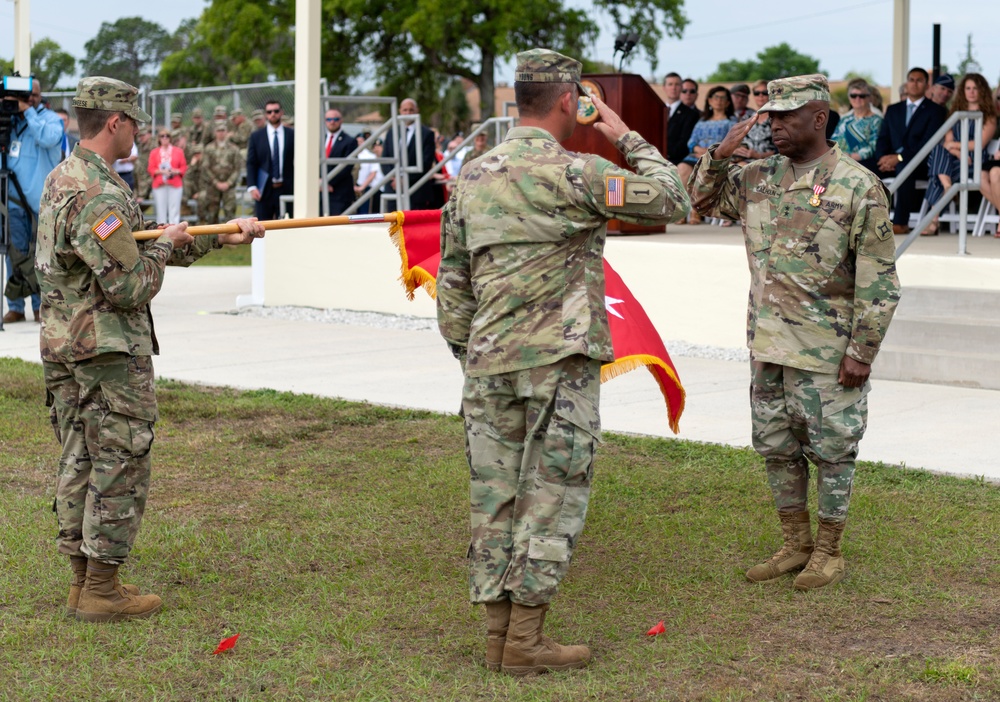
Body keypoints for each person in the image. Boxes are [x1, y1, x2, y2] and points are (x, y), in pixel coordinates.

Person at [437, 48, 689, 676]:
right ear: (565, 101)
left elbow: (453, 285)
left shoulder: (472, 174)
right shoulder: (578, 172)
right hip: (558, 364)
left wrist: (473, 354)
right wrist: (622, 131)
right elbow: (672, 197)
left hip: (489, 363)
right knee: (551, 494)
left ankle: (499, 637)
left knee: (493, 496)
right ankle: (525, 642)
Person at [35, 76, 264, 623]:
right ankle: (102, 589)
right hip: (106, 353)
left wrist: (215, 236)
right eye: (134, 119)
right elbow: (131, 283)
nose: (140, 128)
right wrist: (165, 246)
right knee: (120, 459)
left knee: (80, 457)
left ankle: (82, 583)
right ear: (114, 123)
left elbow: (131, 245)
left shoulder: (65, 178)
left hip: (65, 346)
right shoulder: (100, 194)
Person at [688, 75, 900, 591]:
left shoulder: (856, 185)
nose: (774, 125)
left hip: (828, 351)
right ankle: (796, 543)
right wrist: (718, 155)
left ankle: (828, 551)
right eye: (769, 116)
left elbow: (880, 282)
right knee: (777, 448)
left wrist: (862, 352)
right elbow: (701, 203)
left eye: (786, 116)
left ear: (819, 118)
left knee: (833, 450)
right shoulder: (758, 177)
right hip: (768, 346)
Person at [2, 77, 64, 324]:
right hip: (13, 202)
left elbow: (49, 139)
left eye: (32, 96)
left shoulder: (49, 119)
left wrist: (28, 112)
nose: (28, 100)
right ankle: (15, 306)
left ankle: (41, 306)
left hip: (42, 203)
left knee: (42, 255)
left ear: (39, 96)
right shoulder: (9, 121)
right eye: (22, 96)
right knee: (14, 253)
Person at [873, 67, 947, 234]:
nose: (914, 84)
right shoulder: (893, 109)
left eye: (919, 80)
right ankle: (858, 220)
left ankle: (901, 222)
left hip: (920, 163)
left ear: (927, 85)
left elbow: (927, 143)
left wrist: (899, 158)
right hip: (890, 160)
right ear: (906, 83)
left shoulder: (936, 111)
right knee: (863, 167)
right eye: (911, 80)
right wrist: (882, 158)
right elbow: (883, 138)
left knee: (904, 167)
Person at [921, 73, 997, 235]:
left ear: (982, 90)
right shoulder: (955, 112)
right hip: (957, 158)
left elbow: (979, 144)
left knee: (938, 173)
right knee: (939, 152)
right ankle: (948, 187)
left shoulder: (988, 116)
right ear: (963, 91)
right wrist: (958, 152)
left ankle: (933, 221)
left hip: (974, 160)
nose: (971, 92)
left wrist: (955, 147)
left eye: (975, 88)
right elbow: (947, 140)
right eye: (968, 88)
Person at [682, 85, 736, 224]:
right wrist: (698, 149)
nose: (719, 100)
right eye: (715, 97)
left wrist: (711, 152)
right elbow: (691, 142)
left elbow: (732, 142)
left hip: (718, 159)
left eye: (722, 98)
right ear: (709, 101)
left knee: (704, 170)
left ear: (728, 102)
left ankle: (696, 212)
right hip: (697, 156)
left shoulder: (731, 122)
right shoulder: (702, 122)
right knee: (682, 169)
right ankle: (682, 211)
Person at [381, 98, 443, 210]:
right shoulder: (392, 132)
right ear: (400, 111)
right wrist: (394, 179)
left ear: (417, 111)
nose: (408, 113)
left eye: (411, 110)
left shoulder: (426, 134)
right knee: (392, 225)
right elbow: (385, 159)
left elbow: (426, 163)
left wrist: (405, 180)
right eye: (405, 110)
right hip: (393, 189)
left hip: (416, 191)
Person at [246, 99, 296, 220]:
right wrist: (252, 186)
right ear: (265, 114)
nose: (272, 114)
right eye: (269, 111)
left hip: (287, 187)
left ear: (281, 112)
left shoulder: (292, 134)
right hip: (264, 190)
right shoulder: (256, 136)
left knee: (288, 225)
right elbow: (252, 163)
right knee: (263, 226)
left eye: (276, 111)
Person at [831, 78, 883, 168]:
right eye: (853, 95)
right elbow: (834, 141)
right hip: (839, 161)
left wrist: (851, 157)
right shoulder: (845, 119)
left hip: (861, 164)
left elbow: (874, 147)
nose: (857, 99)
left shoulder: (876, 120)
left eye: (862, 96)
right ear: (849, 98)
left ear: (869, 98)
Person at [201, 122, 243, 224]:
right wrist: (216, 182)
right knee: (212, 214)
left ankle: (230, 238)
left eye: (223, 130)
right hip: (213, 186)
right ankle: (212, 239)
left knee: (230, 214)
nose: (221, 133)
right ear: (215, 132)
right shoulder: (209, 148)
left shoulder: (234, 149)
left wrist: (228, 182)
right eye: (218, 131)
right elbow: (205, 168)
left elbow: (237, 168)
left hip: (229, 186)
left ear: (226, 132)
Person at [147, 128, 187, 224]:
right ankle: (162, 233)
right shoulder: (154, 152)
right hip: (159, 184)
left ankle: (175, 232)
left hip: (175, 183)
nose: (165, 138)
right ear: (159, 139)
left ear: (170, 138)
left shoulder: (178, 151)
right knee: (161, 211)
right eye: (162, 136)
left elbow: (183, 167)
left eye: (167, 136)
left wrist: (175, 171)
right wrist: (162, 171)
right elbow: (150, 168)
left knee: (174, 210)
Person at [732, 79, 776, 163]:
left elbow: (781, 150)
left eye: (764, 93)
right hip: (744, 162)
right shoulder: (746, 118)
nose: (760, 96)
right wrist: (737, 150)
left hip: (769, 163)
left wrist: (758, 156)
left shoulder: (777, 118)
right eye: (756, 93)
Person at [322, 108, 356, 215]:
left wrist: (327, 182)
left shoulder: (350, 141)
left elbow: (347, 167)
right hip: (320, 192)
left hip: (339, 193)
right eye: (329, 119)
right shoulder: (319, 139)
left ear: (341, 120)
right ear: (325, 121)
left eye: (336, 119)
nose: (332, 122)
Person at [664, 73, 700, 169]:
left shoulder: (691, 114)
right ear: (664, 87)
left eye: (677, 84)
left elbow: (684, 142)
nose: (674, 88)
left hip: (674, 162)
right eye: (670, 84)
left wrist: (664, 154)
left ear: (681, 88)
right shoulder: (656, 110)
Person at [354, 135, 381, 214]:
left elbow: (373, 173)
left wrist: (362, 187)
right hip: (352, 188)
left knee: (364, 212)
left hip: (365, 188)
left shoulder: (370, 156)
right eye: (357, 141)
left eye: (361, 141)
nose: (359, 144)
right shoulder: (351, 154)